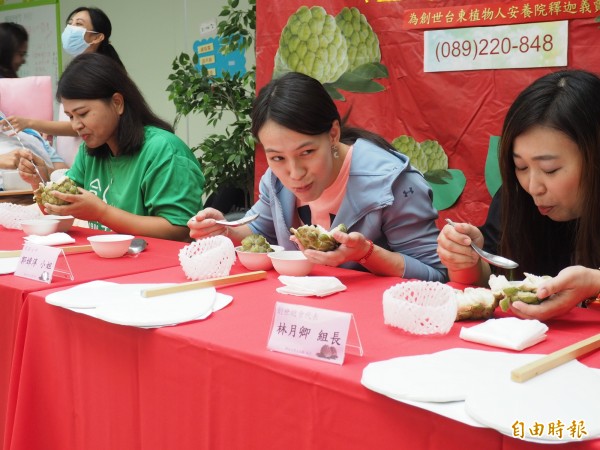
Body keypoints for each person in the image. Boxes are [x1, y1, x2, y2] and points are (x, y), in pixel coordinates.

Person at [189, 72, 447, 281]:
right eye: (277, 157)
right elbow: (260, 231)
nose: (294, 173)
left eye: (307, 152)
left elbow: (437, 274)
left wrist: (367, 254)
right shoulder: (275, 181)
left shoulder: (393, 184)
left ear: (333, 134)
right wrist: (223, 228)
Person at [437, 69, 600, 319]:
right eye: (521, 166)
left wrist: (594, 282)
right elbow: (487, 279)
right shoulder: (515, 196)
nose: (533, 187)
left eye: (550, 169)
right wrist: (465, 261)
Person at [18, 53, 205, 242]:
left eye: (82, 113)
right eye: (71, 116)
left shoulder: (164, 150)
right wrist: (38, 182)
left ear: (117, 103)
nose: (76, 125)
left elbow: (179, 229)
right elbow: (61, 210)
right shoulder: (89, 152)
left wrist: (101, 212)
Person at [1, 7, 123, 165]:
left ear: (97, 37)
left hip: (93, 156)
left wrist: (30, 123)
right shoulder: (76, 69)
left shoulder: (98, 73)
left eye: (79, 24)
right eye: (70, 23)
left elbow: (84, 125)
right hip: (75, 159)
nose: (71, 29)